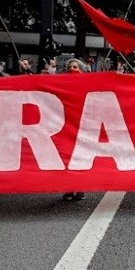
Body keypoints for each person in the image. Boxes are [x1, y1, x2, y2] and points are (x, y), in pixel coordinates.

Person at [61, 58, 87, 202]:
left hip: (81, 127)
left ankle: (80, 187)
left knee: (80, 159)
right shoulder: (61, 84)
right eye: (70, 67)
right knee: (67, 158)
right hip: (66, 127)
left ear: (81, 69)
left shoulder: (86, 84)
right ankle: (69, 188)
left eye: (75, 67)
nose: (73, 69)